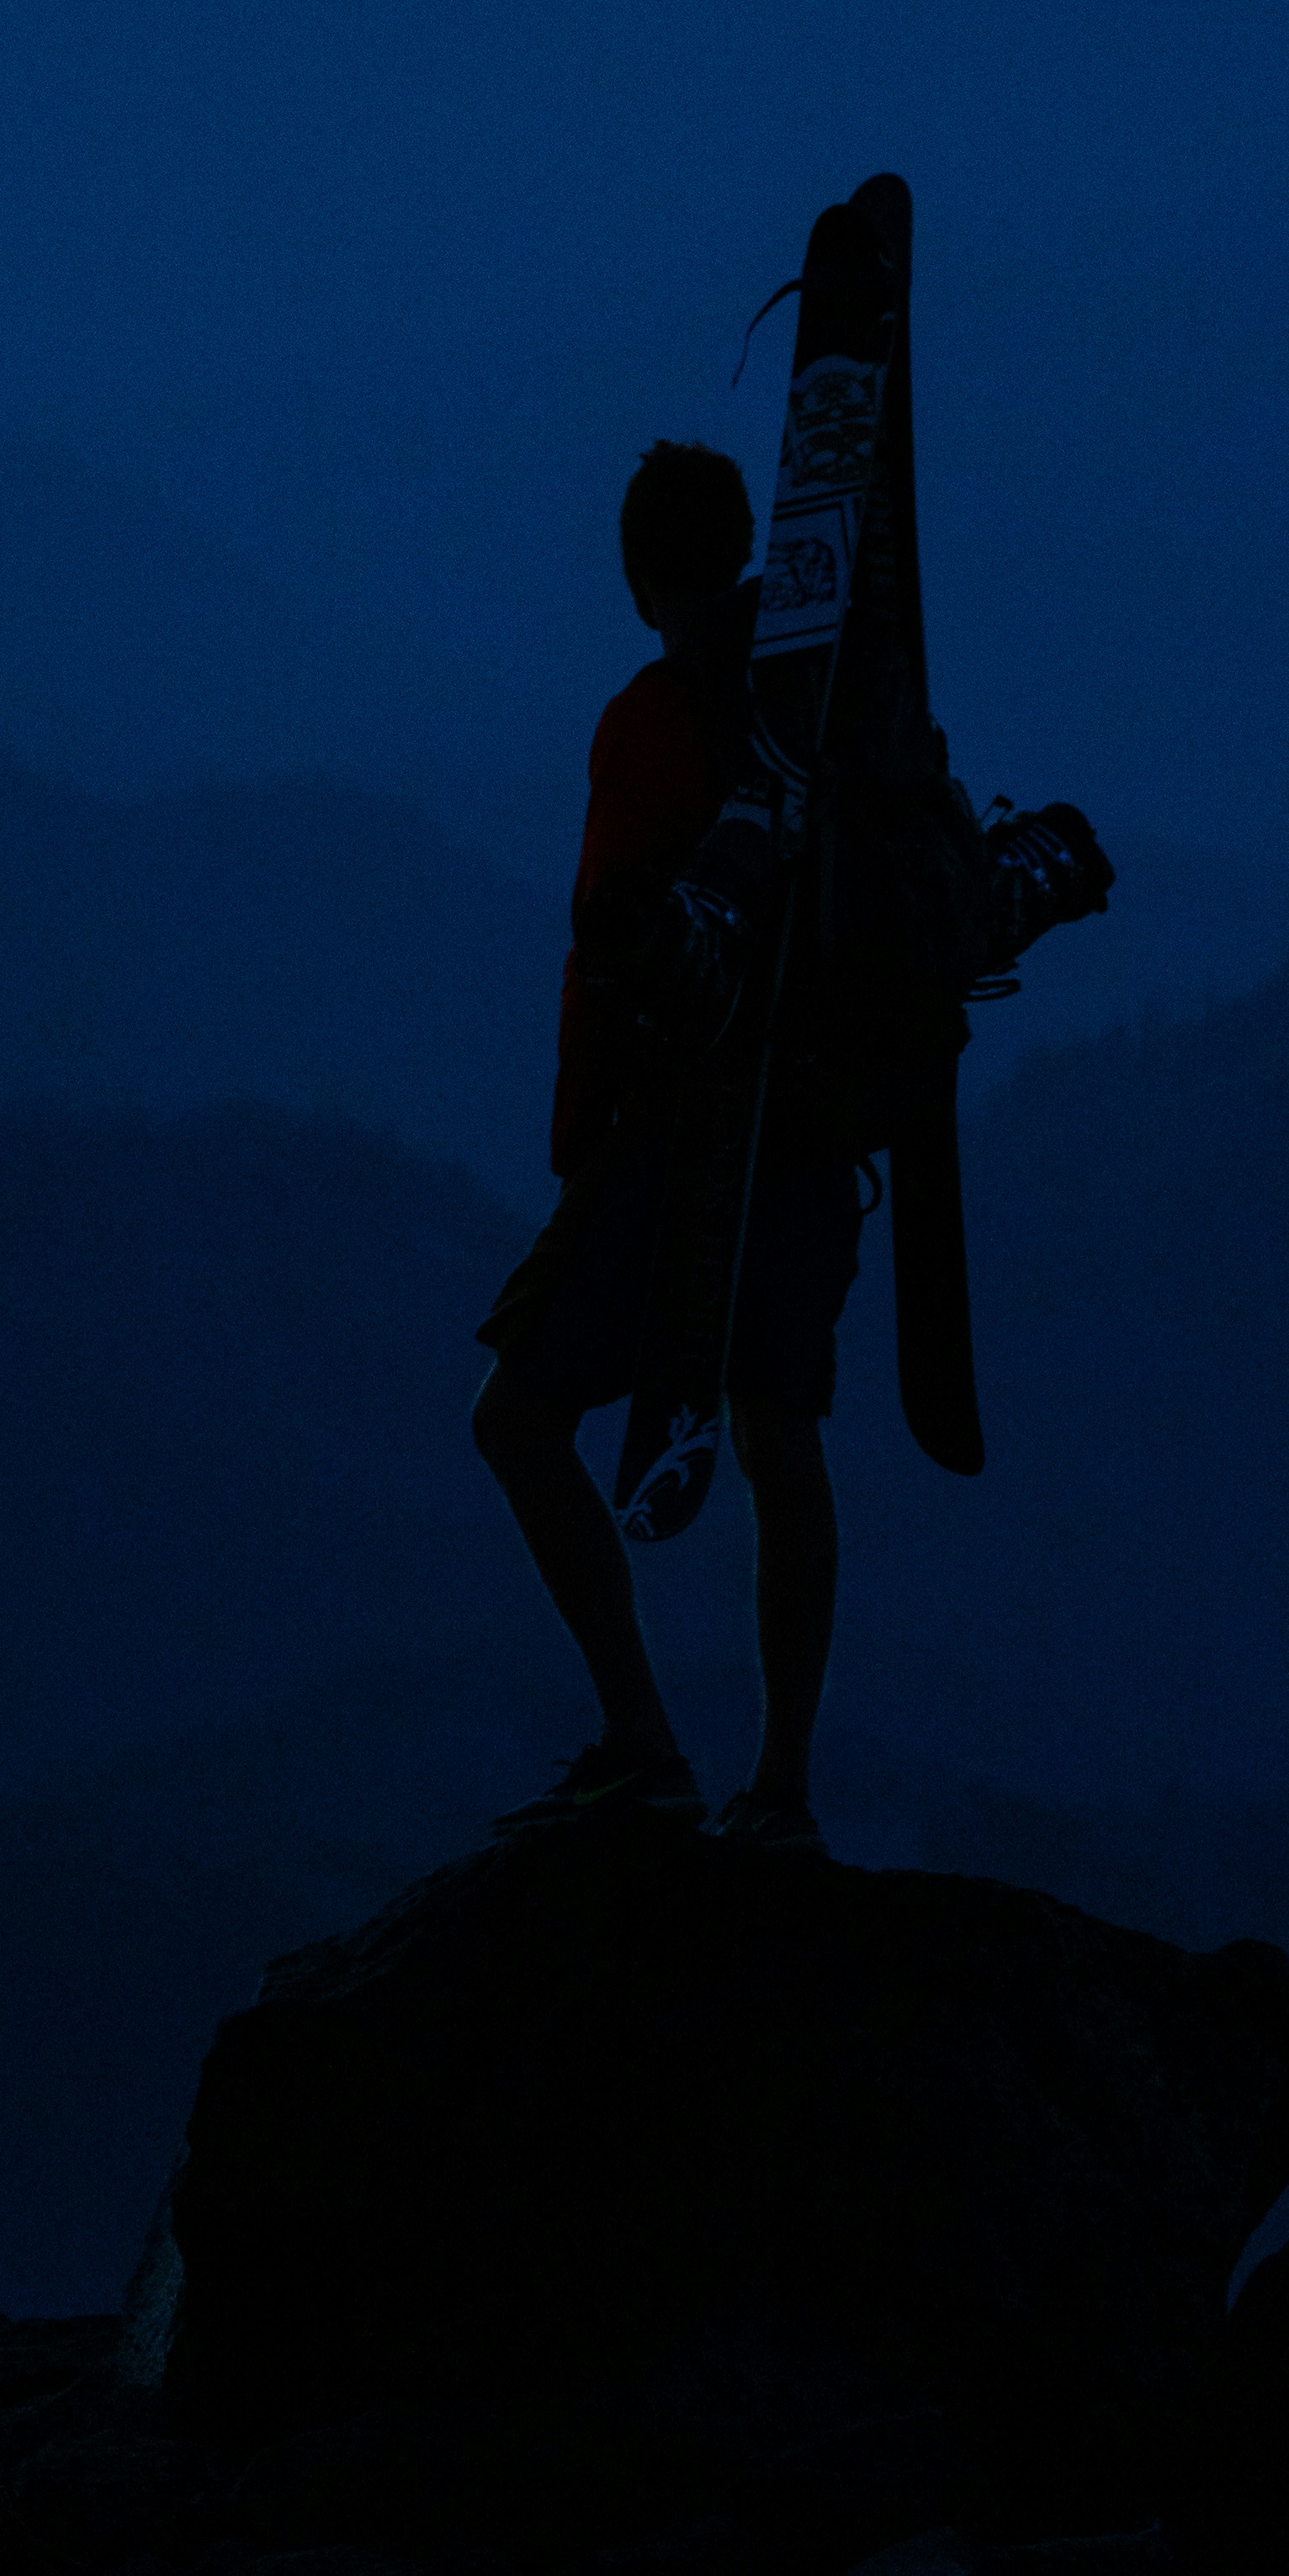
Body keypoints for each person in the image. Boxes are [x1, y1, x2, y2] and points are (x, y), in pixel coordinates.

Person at [470, 437, 860, 1850]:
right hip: (820, 1128)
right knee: (779, 1434)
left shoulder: (651, 723)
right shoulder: (830, 710)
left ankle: (646, 1743)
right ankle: (785, 1790)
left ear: (642, 574)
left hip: (677, 1151)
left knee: (516, 1419)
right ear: (746, 539)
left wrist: (591, 1142)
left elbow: (618, 942)